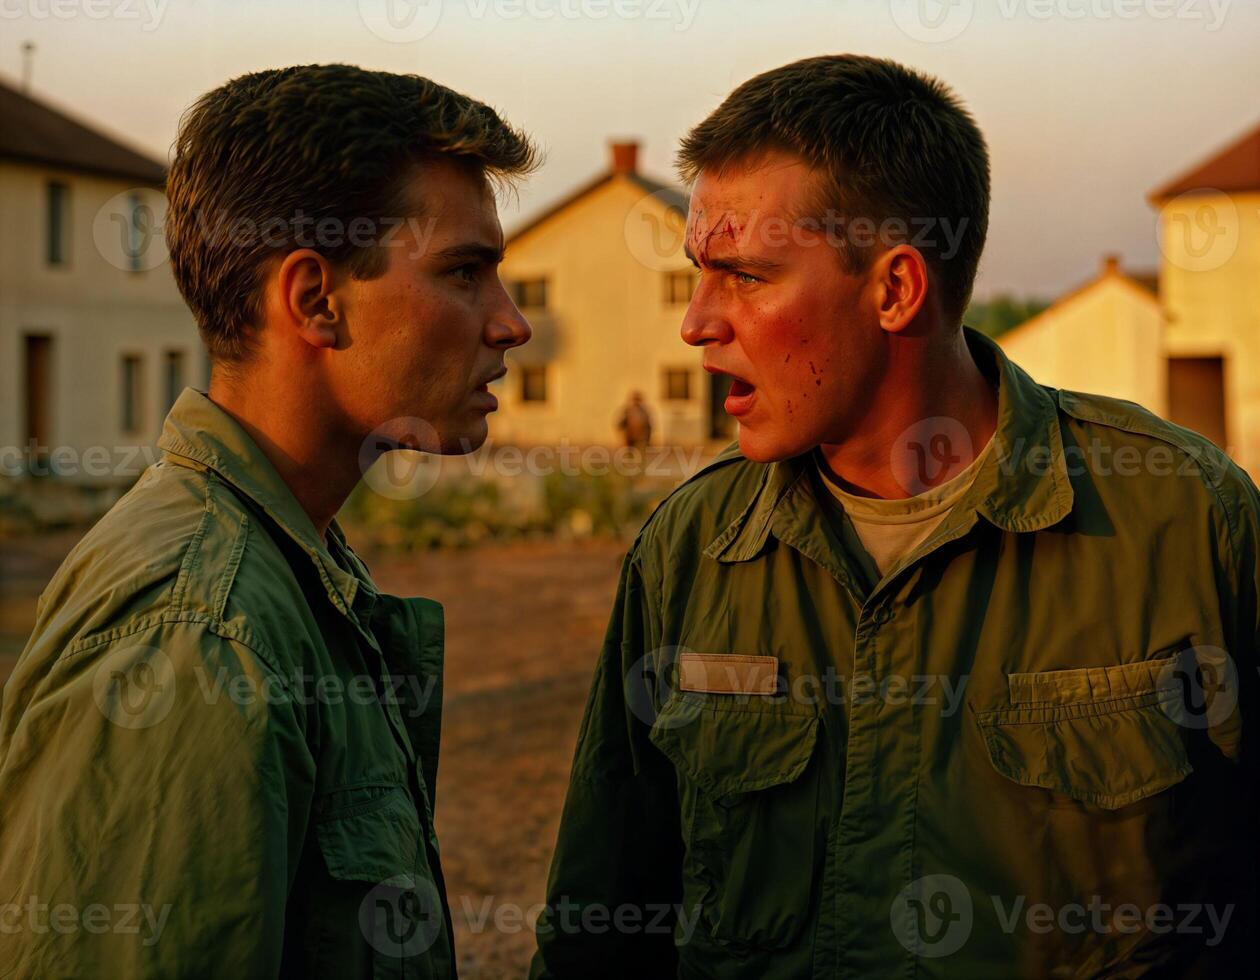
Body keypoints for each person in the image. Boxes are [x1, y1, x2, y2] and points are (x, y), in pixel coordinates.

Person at [532, 54, 1257, 978]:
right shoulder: (692, 548)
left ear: (895, 289)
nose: (698, 322)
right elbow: (600, 924)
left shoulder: (1187, 520)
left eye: (746, 277)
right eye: (696, 274)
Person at [0, 64, 535, 977]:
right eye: (464, 273)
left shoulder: (289, 565)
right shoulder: (198, 631)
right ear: (315, 300)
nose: (511, 324)